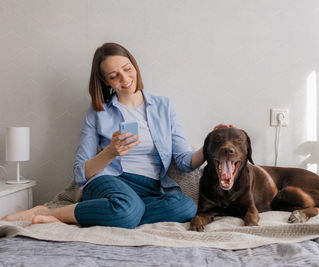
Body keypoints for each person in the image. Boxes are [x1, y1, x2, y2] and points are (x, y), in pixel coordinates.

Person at [2, 42, 231, 229]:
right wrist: (111, 152)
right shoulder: (98, 111)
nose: (124, 79)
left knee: (185, 208)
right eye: (114, 76)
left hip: (149, 188)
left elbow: (184, 161)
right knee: (127, 208)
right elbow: (81, 172)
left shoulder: (163, 106)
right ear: (105, 81)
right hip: (108, 181)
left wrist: (211, 142)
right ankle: (53, 212)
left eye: (127, 68)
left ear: (134, 64)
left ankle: (120, 212)